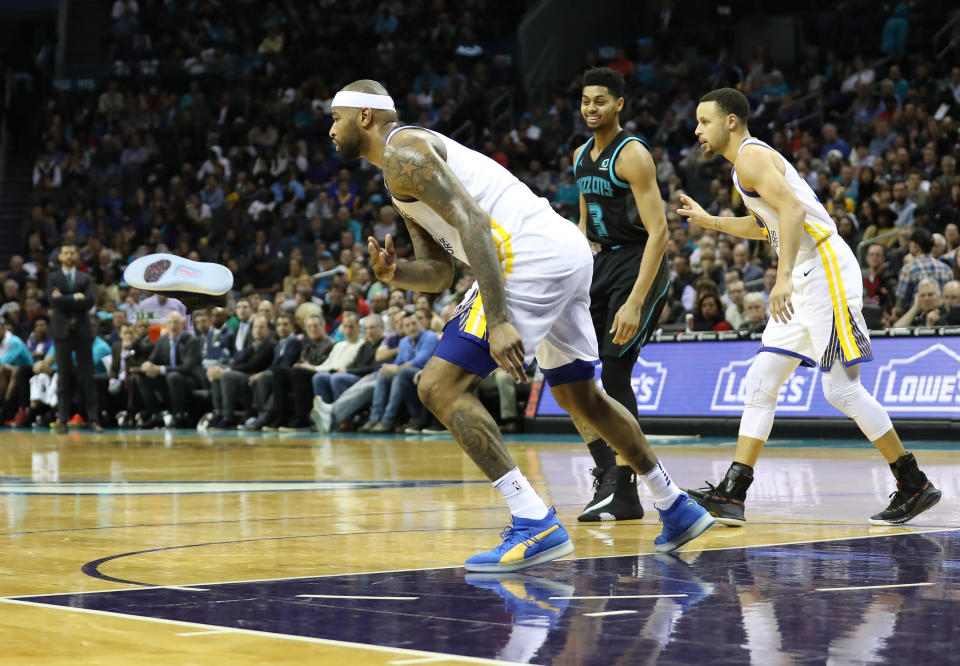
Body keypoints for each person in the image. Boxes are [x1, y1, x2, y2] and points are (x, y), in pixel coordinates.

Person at [333, 79, 712, 571]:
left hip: (524, 254)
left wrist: (499, 319)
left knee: (437, 387)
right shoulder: (398, 170)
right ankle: (675, 504)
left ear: (365, 117)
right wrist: (396, 273)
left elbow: (473, 225)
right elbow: (442, 271)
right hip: (563, 250)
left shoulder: (405, 151)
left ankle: (534, 520)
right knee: (582, 396)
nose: (330, 128)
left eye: (335, 117)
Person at [677, 87, 940, 526]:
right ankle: (733, 494)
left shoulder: (750, 157)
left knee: (840, 389)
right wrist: (711, 222)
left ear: (730, 121)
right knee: (762, 380)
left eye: (704, 121)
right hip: (802, 276)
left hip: (824, 270)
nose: (697, 130)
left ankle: (913, 484)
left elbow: (795, 214)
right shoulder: (743, 166)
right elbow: (771, 226)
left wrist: (779, 280)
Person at [572, 67, 671, 523]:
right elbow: (583, 226)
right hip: (600, 264)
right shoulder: (579, 157)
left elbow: (660, 232)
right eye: (586, 100)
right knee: (573, 375)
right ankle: (608, 476)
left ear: (619, 105)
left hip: (639, 262)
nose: (591, 108)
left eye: (600, 101)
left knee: (614, 372)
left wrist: (634, 300)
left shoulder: (632, 155)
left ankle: (628, 489)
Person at [46, 243, 102, 433]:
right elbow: (53, 301)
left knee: (88, 377)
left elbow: (89, 301)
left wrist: (65, 299)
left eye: (72, 252)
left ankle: (93, 419)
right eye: (66, 252)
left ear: (77, 256)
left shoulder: (85, 277)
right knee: (63, 378)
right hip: (62, 332)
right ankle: (63, 420)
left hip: (82, 332)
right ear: (60, 257)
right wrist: (75, 298)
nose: (69, 255)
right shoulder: (53, 277)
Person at [135, 310, 203, 428]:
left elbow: (188, 367)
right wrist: (148, 365)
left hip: (189, 379)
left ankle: (179, 415)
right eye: (170, 323)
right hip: (168, 378)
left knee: (173, 376)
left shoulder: (192, 341)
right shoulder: (162, 340)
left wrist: (161, 369)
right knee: (142, 377)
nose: (173, 326)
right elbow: (152, 359)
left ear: (182, 325)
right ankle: (155, 415)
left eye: (176, 322)